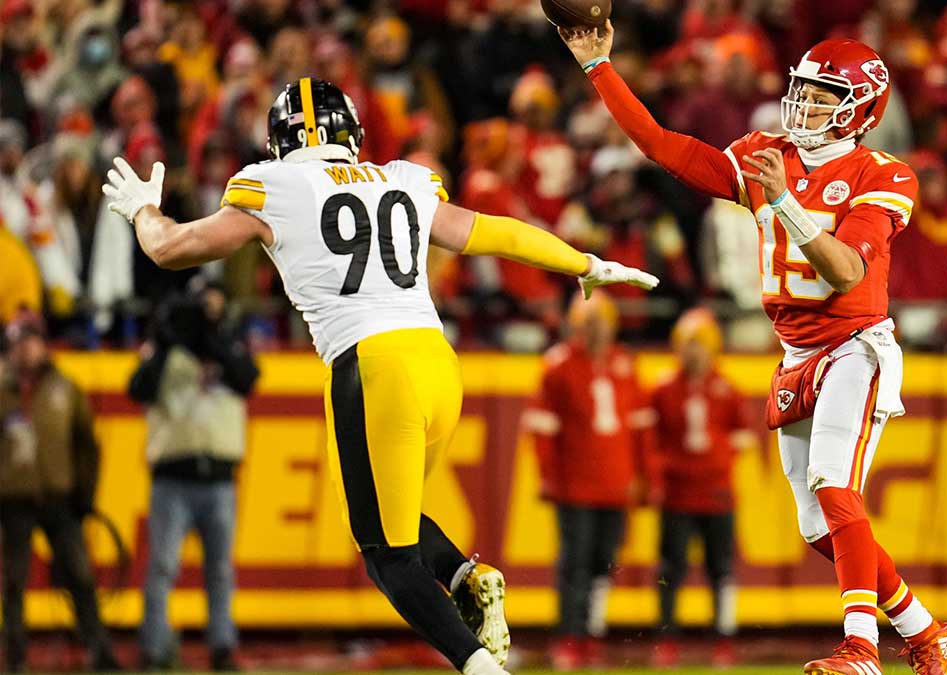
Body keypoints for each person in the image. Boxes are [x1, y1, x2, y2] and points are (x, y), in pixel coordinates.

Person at [101, 77, 657, 675]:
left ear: (279, 143)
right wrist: (584, 262)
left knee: (386, 555)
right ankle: (470, 578)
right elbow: (495, 232)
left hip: (371, 365)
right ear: (354, 134)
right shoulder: (401, 178)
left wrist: (143, 210)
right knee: (385, 516)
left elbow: (170, 249)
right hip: (438, 363)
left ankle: (481, 667)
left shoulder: (275, 184)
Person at [559, 25, 947, 675]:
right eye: (801, 91)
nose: (803, 106)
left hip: (853, 345)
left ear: (860, 109)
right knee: (817, 527)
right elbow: (664, 148)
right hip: (795, 354)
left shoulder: (883, 174)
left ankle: (861, 648)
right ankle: (925, 631)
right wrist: (600, 66)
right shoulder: (765, 153)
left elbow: (844, 273)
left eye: (822, 95)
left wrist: (782, 200)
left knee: (835, 484)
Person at [522, 291, 660, 670]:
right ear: (578, 325)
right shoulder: (560, 365)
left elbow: (640, 429)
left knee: (602, 562)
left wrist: (644, 476)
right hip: (576, 483)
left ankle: (592, 633)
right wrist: (549, 476)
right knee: (575, 563)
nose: (598, 330)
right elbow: (542, 430)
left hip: (615, 481)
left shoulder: (624, 364)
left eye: (603, 322)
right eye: (590, 322)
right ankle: (569, 635)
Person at [127, 279, 259, 671]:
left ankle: (221, 645)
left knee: (219, 570)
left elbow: (248, 378)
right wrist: (170, 342)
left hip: (218, 476)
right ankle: (153, 646)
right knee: (162, 566)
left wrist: (211, 339)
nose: (208, 314)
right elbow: (138, 389)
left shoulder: (229, 343)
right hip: (173, 475)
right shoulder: (165, 348)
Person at [0, 313, 120, 673]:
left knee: (81, 577)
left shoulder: (64, 388)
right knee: (13, 583)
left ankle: (100, 653)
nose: (26, 349)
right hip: (12, 500)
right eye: (19, 342)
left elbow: (87, 445)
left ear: (43, 343)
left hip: (59, 498)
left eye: (31, 340)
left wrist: (84, 493)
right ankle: (16, 659)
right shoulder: (2, 389)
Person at [649, 307, 753, 668]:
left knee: (721, 570)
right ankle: (667, 638)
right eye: (688, 345)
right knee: (669, 570)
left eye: (700, 345)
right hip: (677, 494)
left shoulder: (726, 390)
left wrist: (716, 467)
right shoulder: (664, 388)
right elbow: (651, 441)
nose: (694, 352)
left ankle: (724, 639)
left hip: (715, 494)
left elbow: (741, 440)